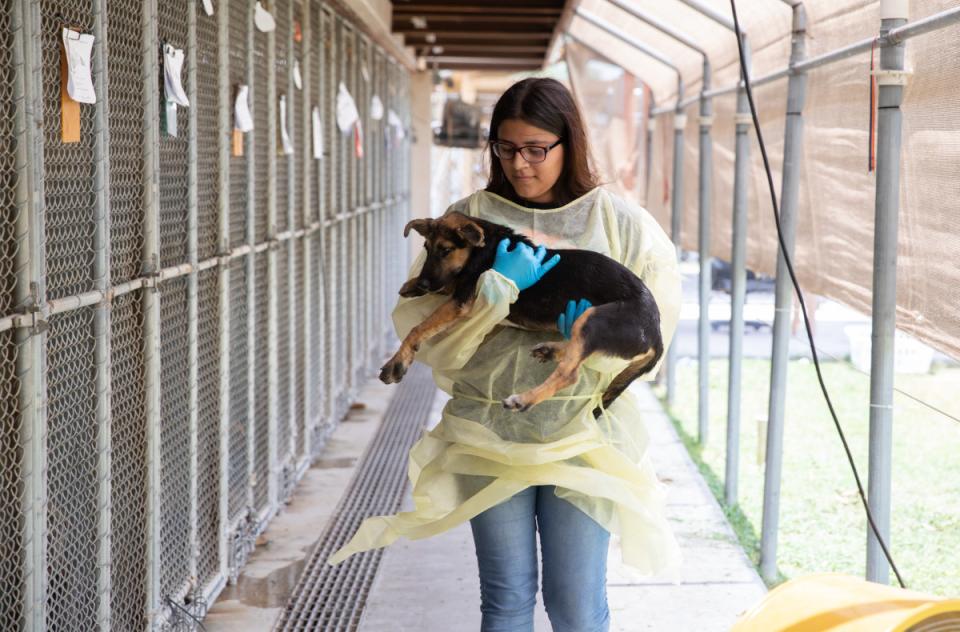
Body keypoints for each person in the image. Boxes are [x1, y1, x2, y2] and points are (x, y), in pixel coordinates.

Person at [328, 78, 683, 631]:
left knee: (575, 604)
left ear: (569, 144)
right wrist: (496, 295)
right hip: (487, 427)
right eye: (507, 148)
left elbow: (651, 330)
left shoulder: (618, 222)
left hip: (582, 433)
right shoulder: (467, 218)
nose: (521, 164)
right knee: (506, 600)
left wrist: (590, 347)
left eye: (537, 149)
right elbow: (437, 344)